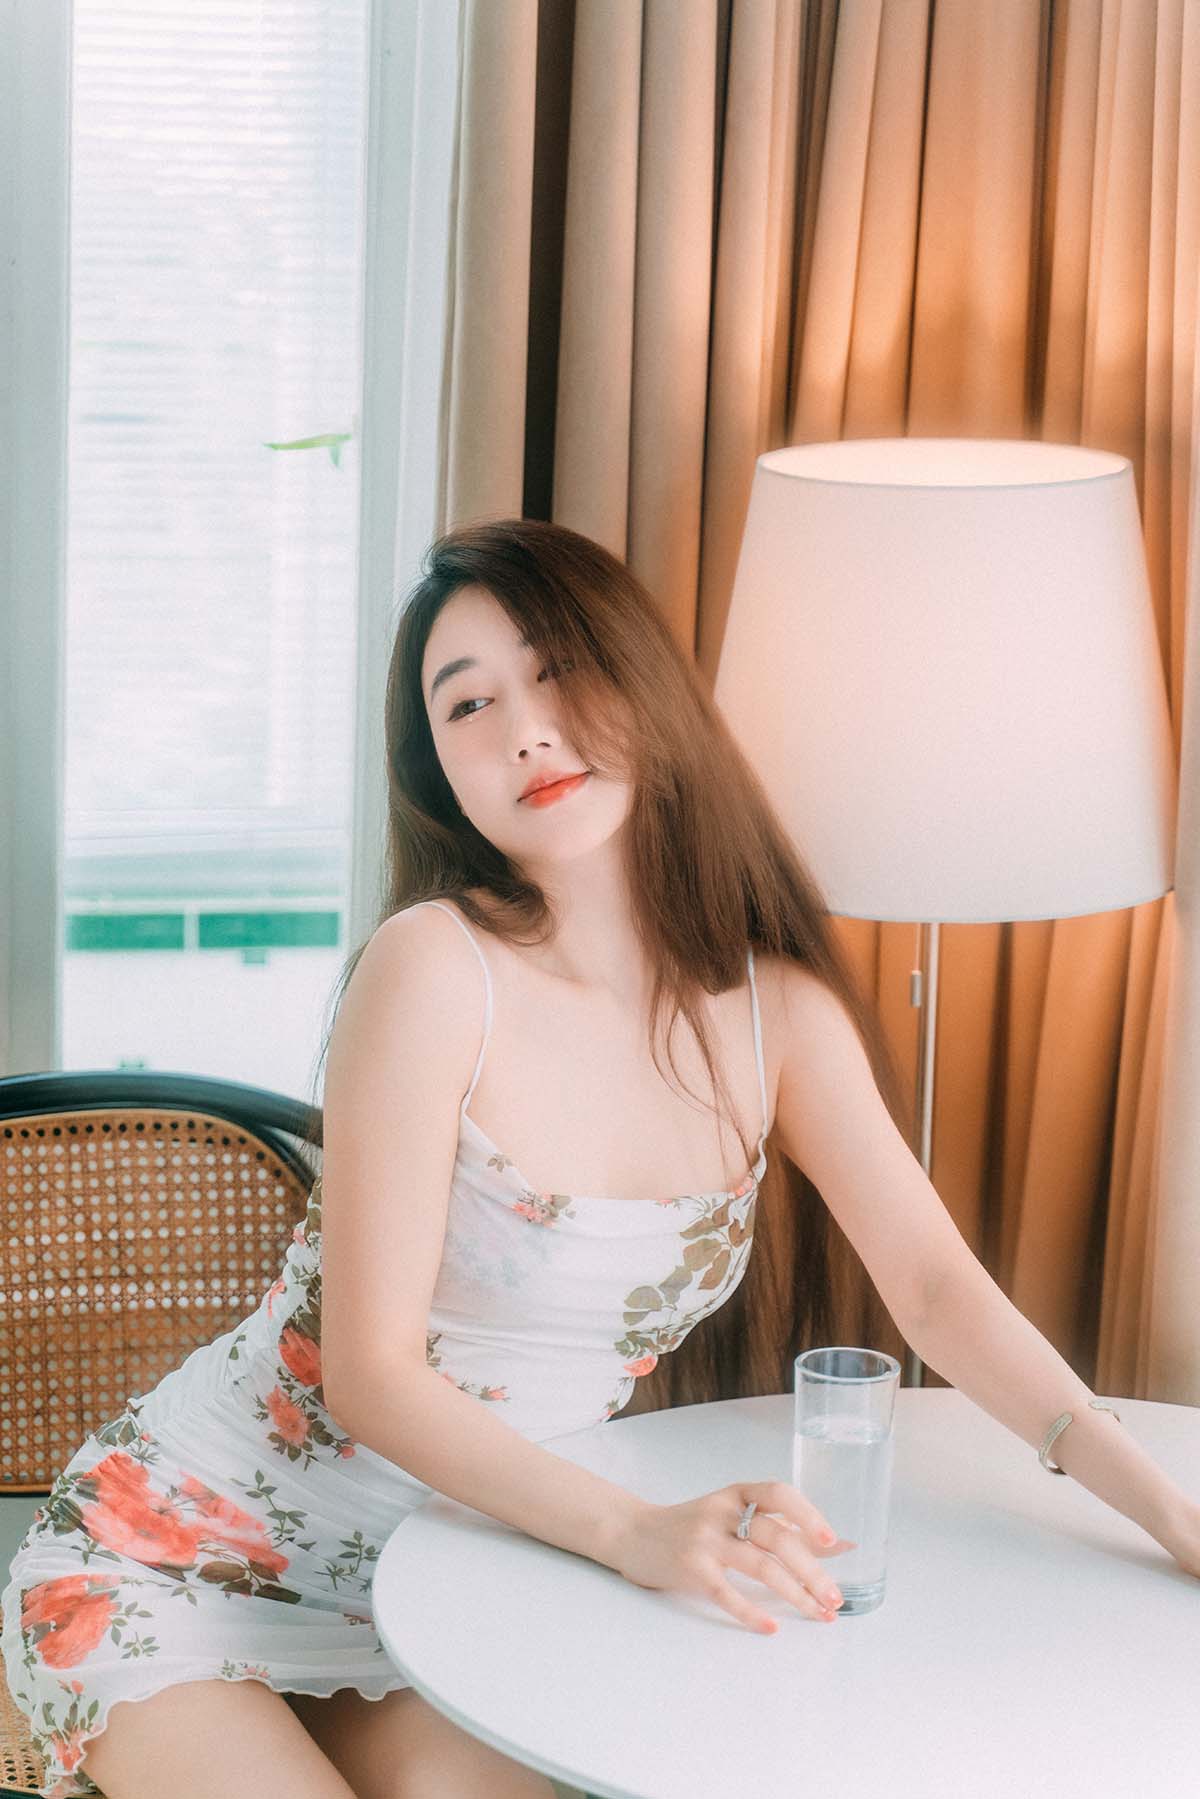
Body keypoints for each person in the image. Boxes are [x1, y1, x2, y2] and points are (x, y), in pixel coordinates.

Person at [3, 517, 1196, 1799]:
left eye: (558, 668)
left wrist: (1160, 1502)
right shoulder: (432, 969)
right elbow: (373, 1375)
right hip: (180, 1553)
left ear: (645, 684)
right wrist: (637, 1532)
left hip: (456, 1566)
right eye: (470, 704)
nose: (527, 729)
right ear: (439, 773)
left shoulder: (777, 1017)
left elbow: (937, 1287)